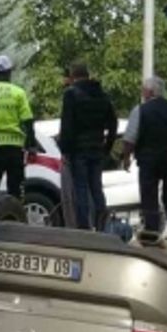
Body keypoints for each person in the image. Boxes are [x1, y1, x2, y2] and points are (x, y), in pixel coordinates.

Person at [121, 76, 167, 239]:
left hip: (148, 159)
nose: (142, 92)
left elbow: (130, 138)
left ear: (149, 91)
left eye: (143, 89)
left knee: (149, 194)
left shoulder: (140, 110)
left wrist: (126, 159)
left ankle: (152, 230)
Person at [58, 62, 118, 230]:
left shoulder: (71, 94)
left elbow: (67, 124)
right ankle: (102, 225)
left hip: (79, 150)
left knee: (81, 188)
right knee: (97, 187)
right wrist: (107, 146)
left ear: (72, 76)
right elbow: (113, 123)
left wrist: (65, 150)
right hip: (97, 148)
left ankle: (84, 226)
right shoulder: (102, 95)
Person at [0, 55, 37, 199]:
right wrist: (32, 145)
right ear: (9, 73)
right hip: (14, 147)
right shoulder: (19, 93)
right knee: (15, 189)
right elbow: (28, 121)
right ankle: (16, 218)